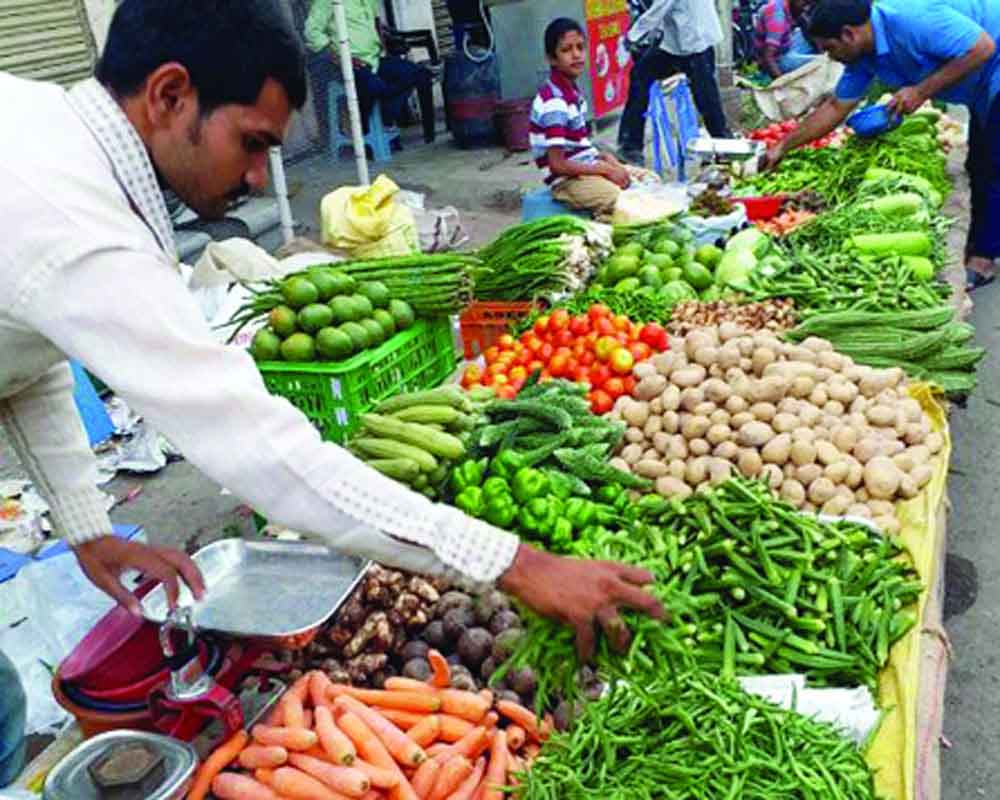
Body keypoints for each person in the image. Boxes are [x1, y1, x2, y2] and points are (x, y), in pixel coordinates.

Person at [0, 0, 664, 787]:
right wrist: (516, 562)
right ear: (171, 95)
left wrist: (85, 526)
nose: (256, 179)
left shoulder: (44, 138)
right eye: (253, 145)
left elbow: (27, 349)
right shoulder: (79, 220)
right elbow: (265, 454)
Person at [761, 0, 1000, 290]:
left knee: (994, 165)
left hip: (994, 61)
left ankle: (984, 259)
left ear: (848, 34)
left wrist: (920, 92)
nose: (831, 58)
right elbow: (837, 107)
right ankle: (980, 239)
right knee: (978, 163)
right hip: (980, 84)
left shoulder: (912, 19)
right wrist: (782, 146)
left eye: (830, 49)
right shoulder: (862, 56)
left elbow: (982, 47)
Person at [530, 19, 637, 221]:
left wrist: (606, 159)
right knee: (622, 200)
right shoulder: (555, 102)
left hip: (584, 168)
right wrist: (604, 170)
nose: (576, 54)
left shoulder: (571, 92)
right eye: (566, 50)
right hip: (567, 181)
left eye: (580, 47)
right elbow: (557, 165)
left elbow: (579, 145)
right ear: (552, 58)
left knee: (646, 181)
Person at [305, 0, 435, 147]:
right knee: (374, 87)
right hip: (349, 64)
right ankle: (366, 130)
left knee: (420, 74)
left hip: (375, 59)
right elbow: (311, 31)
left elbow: (376, 22)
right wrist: (340, 57)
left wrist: (384, 48)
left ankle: (386, 118)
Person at [617, 0, 732, 165]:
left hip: (696, 41)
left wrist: (632, 36)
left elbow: (659, 8)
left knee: (706, 99)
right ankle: (630, 145)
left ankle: (724, 146)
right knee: (640, 75)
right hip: (675, 44)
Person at [754, 0, 819, 78]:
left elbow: (807, 27)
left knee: (809, 36)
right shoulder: (778, 16)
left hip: (785, 47)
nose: (806, 9)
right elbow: (768, 57)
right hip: (778, 59)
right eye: (805, 3)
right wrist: (782, 83)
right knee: (821, 62)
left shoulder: (785, 4)